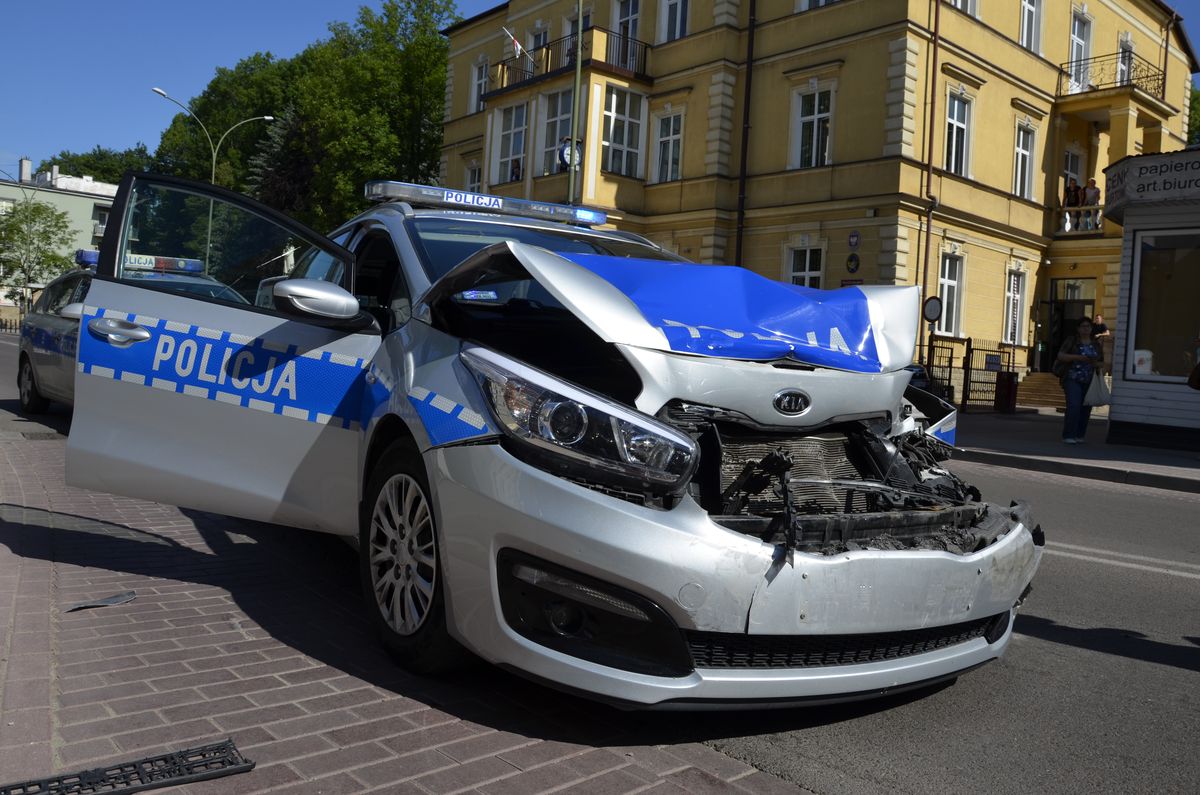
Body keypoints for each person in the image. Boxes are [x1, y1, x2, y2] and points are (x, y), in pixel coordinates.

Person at [1056, 317, 1104, 444]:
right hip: (1072, 378)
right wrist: (1078, 357)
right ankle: (1068, 435)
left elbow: (1102, 362)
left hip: (1089, 380)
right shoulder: (1072, 340)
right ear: (1078, 328)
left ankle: (1080, 435)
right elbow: (1061, 355)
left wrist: (1095, 363)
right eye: (1083, 326)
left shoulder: (1095, 343)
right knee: (1074, 405)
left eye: (1088, 326)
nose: (1086, 329)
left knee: (1086, 408)